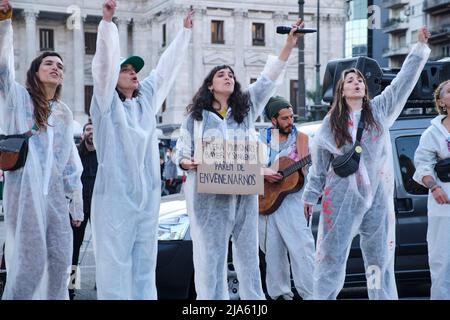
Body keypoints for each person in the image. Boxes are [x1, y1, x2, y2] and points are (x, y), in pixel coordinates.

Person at [174, 19, 306, 300]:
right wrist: (189, 163)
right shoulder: (195, 119)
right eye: (221, 74)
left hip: (245, 196)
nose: (228, 77)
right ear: (210, 85)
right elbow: (181, 153)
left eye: (231, 74)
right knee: (211, 259)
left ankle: (253, 302)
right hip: (209, 199)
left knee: (248, 258)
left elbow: (268, 81)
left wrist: (288, 45)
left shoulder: (244, 111)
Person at [302, 27, 431, 300]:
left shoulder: (380, 111)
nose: (356, 82)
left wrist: (419, 50)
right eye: (350, 80)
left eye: (359, 79)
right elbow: (319, 165)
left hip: (377, 199)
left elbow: (403, 83)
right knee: (331, 258)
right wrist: (310, 196)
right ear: (342, 89)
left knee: (379, 261)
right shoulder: (330, 124)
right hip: (339, 198)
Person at [90, 0, 193, 299]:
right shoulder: (106, 105)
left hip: (147, 197)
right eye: (126, 70)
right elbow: (103, 67)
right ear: (114, 78)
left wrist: (183, 34)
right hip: (114, 199)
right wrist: (108, 24)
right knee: (115, 264)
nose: (134, 73)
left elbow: (164, 71)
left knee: (145, 265)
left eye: (135, 70)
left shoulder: (145, 100)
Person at [0, 1, 83, 299]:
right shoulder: (18, 100)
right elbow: (2, 67)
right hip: (24, 197)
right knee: (27, 269)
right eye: (49, 63)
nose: (56, 68)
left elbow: (70, 164)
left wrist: (76, 203)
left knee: (60, 266)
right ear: (35, 71)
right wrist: (5, 22)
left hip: (56, 204)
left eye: (60, 66)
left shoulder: (64, 113)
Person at [258, 96, 315, 300]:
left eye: (291, 116)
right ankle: (280, 295)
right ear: (273, 120)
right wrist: (263, 172)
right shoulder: (261, 138)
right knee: (273, 252)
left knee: (302, 249)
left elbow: (312, 171)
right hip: (265, 200)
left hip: (293, 201)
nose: (290, 121)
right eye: (284, 118)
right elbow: (247, 167)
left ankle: (312, 294)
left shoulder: (302, 139)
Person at [413, 80, 450, 299]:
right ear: (441, 102)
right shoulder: (432, 133)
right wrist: (434, 187)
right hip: (443, 205)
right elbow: (423, 165)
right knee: (442, 262)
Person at [69, 121, 97, 300]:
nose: (91, 132)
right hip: (79, 209)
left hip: (99, 208)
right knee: (74, 247)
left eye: (94, 130)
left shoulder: (103, 154)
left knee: (104, 247)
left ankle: (102, 282)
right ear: (83, 135)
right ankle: (71, 286)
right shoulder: (76, 154)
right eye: (88, 130)